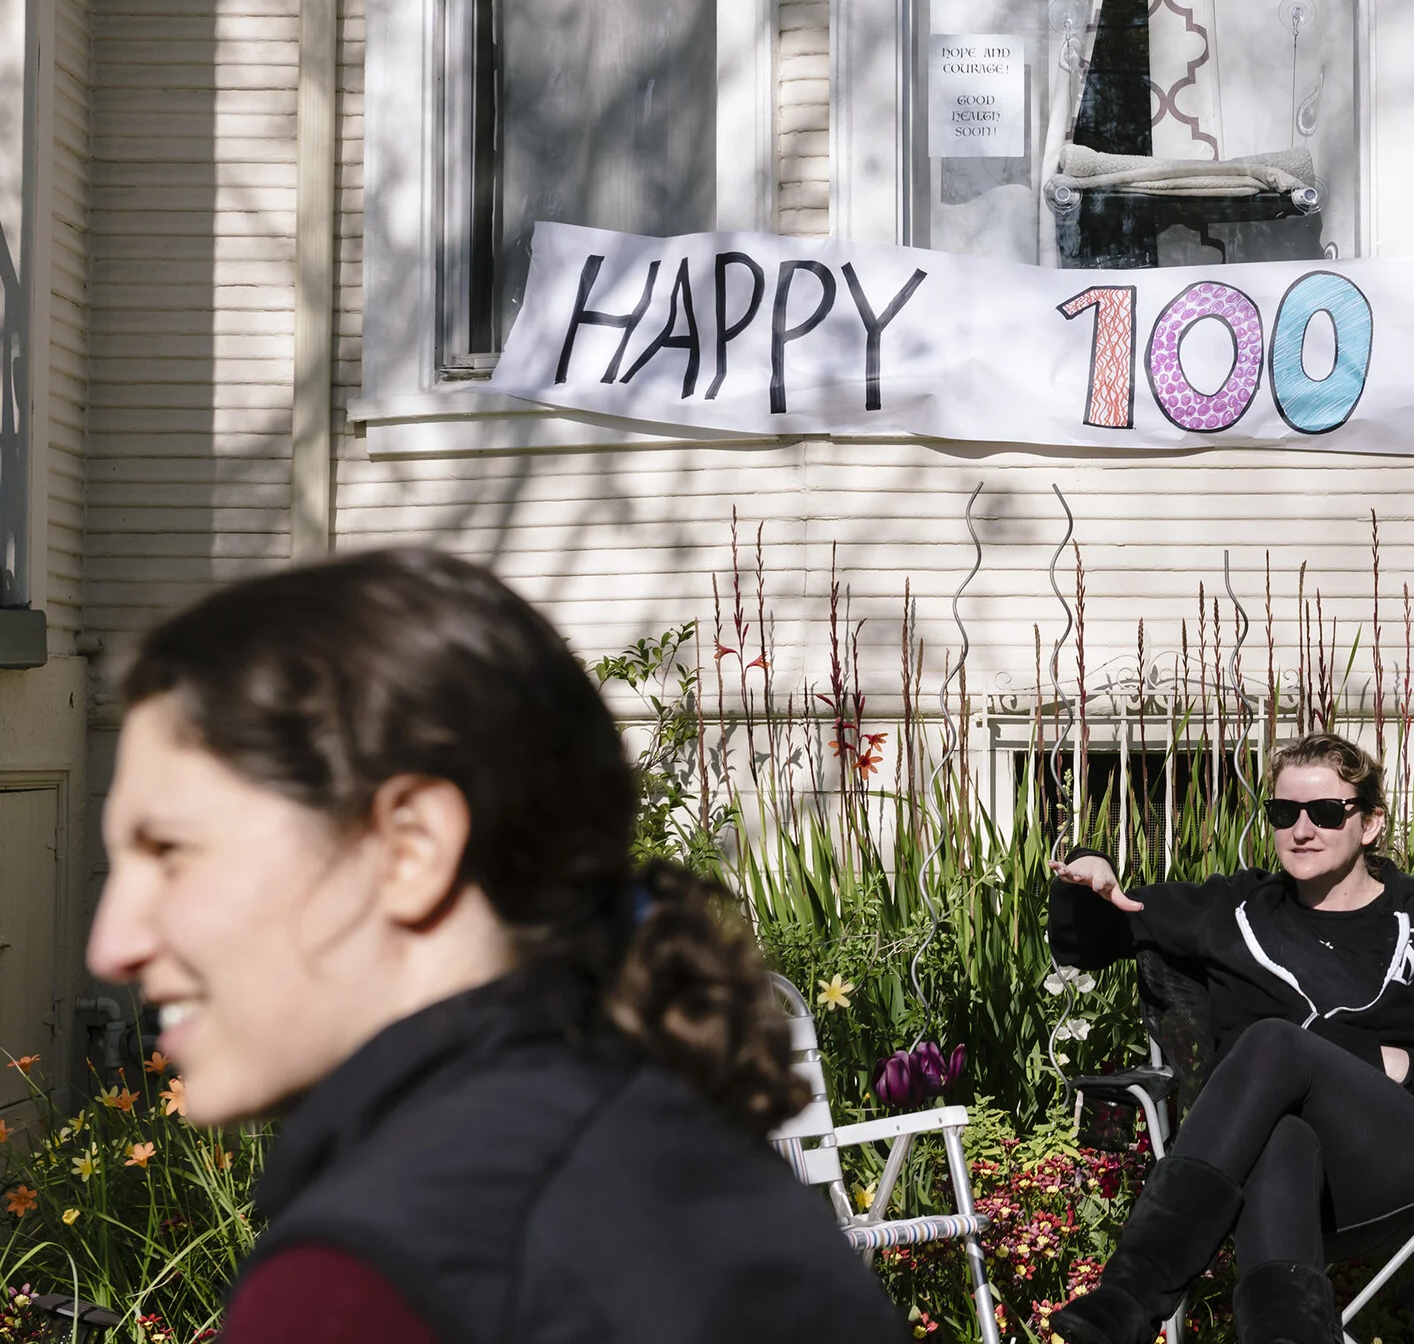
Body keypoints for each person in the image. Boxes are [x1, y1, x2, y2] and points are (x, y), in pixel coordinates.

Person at [85, 549, 907, 1344]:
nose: (111, 945)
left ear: (409, 848)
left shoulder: (372, 1284)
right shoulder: (674, 1157)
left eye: (170, 850)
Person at [1044, 733, 1414, 1344]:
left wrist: (1394, 1063)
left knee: (1274, 1041)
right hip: (1274, 1170)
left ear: (1371, 823)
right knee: (1281, 1136)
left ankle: (1128, 1298)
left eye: (1325, 812)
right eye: (1283, 812)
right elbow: (1088, 939)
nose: (1301, 830)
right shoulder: (1234, 910)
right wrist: (1087, 871)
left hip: (1401, 1161)